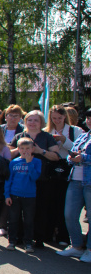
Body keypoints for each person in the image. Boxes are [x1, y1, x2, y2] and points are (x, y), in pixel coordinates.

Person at [9, 110, 60, 248]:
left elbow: (56, 156)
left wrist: (40, 151)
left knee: (41, 210)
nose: (32, 123)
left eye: (35, 120)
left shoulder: (47, 137)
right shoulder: (20, 135)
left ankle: (38, 238)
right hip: (21, 181)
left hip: (42, 179)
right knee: (18, 211)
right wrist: (23, 150)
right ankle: (18, 237)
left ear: (41, 122)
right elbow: (9, 153)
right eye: (29, 120)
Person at [45, 105, 85, 246]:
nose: (57, 120)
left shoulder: (75, 130)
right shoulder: (47, 130)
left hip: (68, 168)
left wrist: (64, 140)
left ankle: (63, 235)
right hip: (51, 167)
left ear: (65, 117)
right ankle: (48, 233)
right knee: (50, 202)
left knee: (64, 203)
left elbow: (80, 148)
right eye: (54, 118)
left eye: (60, 118)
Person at [4, 138, 42, 253]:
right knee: (13, 219)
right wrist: (7, 195)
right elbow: (8, 180)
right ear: (18, 149)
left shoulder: (36, 162)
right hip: (14, 195)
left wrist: (29, 163)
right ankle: (12, 241)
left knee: (29, 220)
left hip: (30, 196)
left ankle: (28, 243)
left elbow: (35, 177)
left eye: (28, 148)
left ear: (32, 149)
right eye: (22, 148)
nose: (25, 151)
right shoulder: (14, 162)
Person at [58, 130, 91, 261]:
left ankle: (89, 249)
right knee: (69, 214)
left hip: (89, 181)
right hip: (75, 179)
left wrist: (83, 158)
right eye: (88, 118)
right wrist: (71, 157)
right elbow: (71, 152)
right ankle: (76, 246)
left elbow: (83, 156)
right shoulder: (83, 136)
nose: (89, 120)